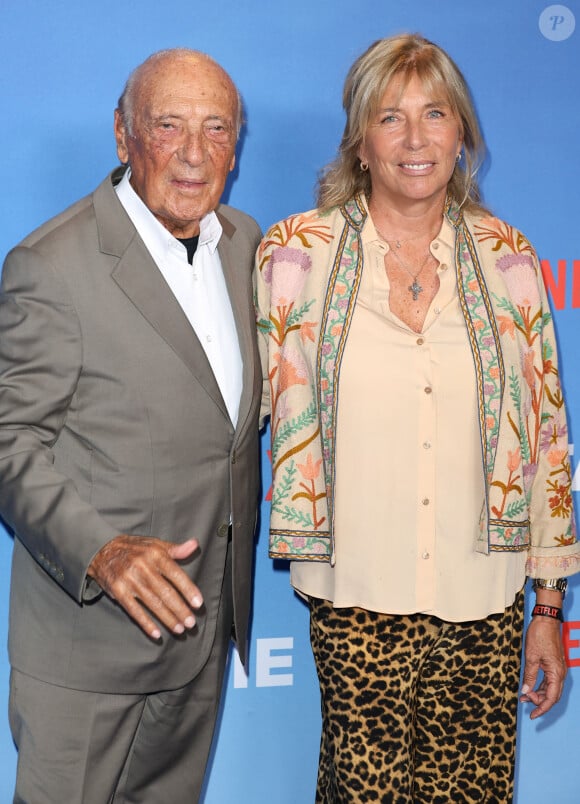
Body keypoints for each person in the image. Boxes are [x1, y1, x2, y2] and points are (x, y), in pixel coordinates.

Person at [255, 33, 580, 802]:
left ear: (460, 133)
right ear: (360, 142)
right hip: (356, 595)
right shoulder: (296, 254)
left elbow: (548, 437)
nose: (415, 138)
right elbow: (238, 420)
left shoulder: (510, 259)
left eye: (434, 113)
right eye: (390, 117)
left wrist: (551, 607)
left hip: (486, 600)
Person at [0, 48, 262, 803]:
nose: (193, 153)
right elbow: (11, 444)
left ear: (236, 146)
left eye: (216, 129)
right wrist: (103, 551)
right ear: (122, 135)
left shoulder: (246, 245)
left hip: (200, 634)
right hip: (89, 652)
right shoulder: (51, 265)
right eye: (168, 125)